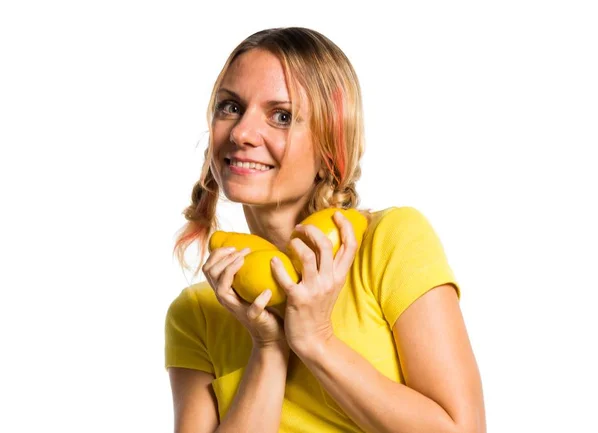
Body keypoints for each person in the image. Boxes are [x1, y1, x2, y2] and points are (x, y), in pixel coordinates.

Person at [164, 27, 486, 433]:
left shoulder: (389, 243)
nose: (242, 133)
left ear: (331, 145)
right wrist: (268, 348)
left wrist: (316, 340)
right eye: (230, 107)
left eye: (281, 116)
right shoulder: (197, 312)